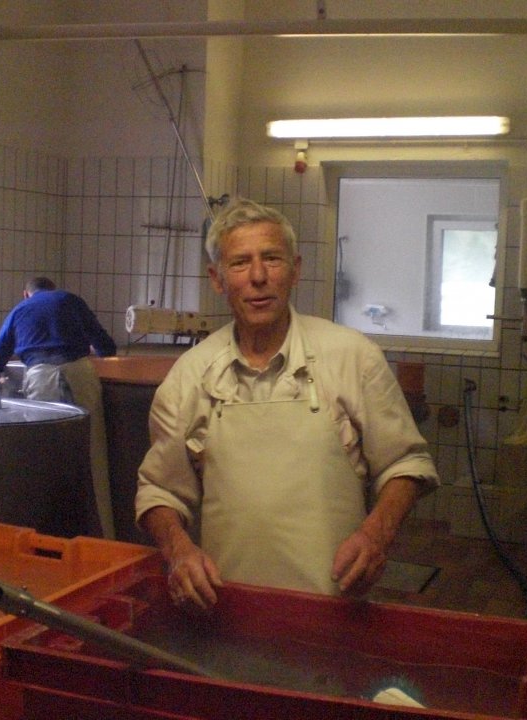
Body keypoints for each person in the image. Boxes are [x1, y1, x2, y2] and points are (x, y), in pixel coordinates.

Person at [135, 198, 439, 609]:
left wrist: (375, 536)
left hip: (335, 610)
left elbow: (405, 464)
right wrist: (179, 551)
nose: (258, 276)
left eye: (272, 259)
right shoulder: (189, 376)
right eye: (240, 263)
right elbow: (159, 491)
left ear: (295, 270)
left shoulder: (353, 357)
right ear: (217, 279)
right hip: (225, 611)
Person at [0, 277, 118, 538]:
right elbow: (105, 344)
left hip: (40, 377)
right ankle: (102, 537)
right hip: (80, 373)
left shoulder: (19, 310)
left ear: (26, 293)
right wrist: (102, 353)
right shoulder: (70, 300)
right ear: (53, 289)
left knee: (44, 460)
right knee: (93, 455)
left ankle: (45, 537)